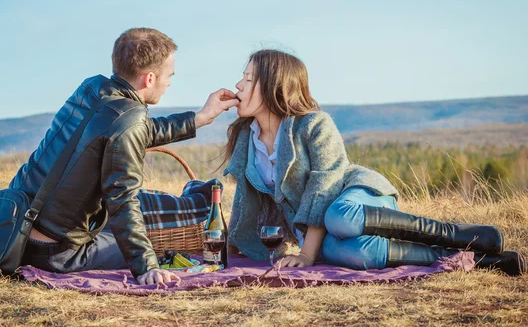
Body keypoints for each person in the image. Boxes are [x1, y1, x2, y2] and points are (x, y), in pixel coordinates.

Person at [223, 49, 525, 276]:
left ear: (275, 86)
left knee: (340, 216)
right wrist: (228, 251)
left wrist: (306, 255)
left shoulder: (314, 124)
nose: (238, 85)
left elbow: (324, 188)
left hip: (354, 198)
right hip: (322, 229)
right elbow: (245, 204)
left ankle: (461, 234)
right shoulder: (247, 140)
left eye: (248, 79)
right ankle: (481, 260)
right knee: (357, 254)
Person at [14, 27, 239, 285]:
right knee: (157, 245)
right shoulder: (129, 118)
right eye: (169, 75)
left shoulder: (92, 90)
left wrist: (199, 119)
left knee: (128, 231)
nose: (170, 82)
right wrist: (146, 267)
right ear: (150, 79)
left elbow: (134, 132)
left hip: (21, 233)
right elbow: (122, 199)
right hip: (59, 253)